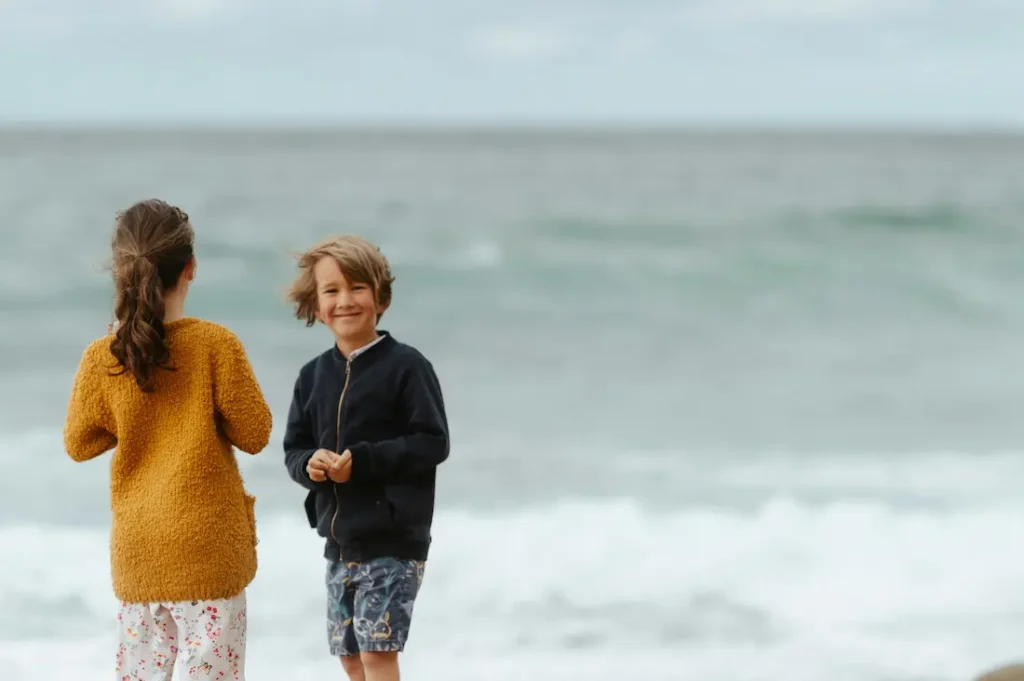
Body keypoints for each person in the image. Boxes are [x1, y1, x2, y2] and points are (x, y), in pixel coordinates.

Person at [62, 199, 273, 681]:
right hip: (207, 552)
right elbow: (256, 433)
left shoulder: (104, 356)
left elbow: (79, 442)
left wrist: (131, 412)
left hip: (140, 556)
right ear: (190, 268)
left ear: (121, 271)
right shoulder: (217, 344)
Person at [283, 235, 450, 681]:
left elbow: (433, 442)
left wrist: (364, 461)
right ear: (317, 307)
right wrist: (310, 466)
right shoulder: (312, 376)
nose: (345, 300)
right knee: (351, 657)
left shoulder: (407, 367)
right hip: (339, 543)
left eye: (357, 287)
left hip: (393, 541)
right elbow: (293, 449)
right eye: (331, 291)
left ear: (381, 297)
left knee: (379, 654)